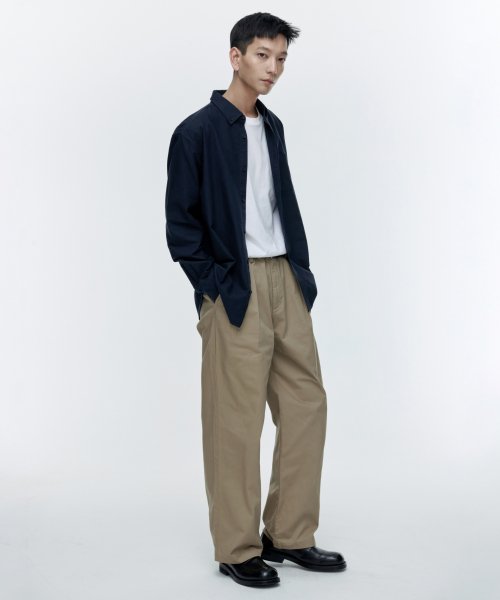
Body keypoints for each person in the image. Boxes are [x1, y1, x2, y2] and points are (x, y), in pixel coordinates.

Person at [165, 12, 346, 588]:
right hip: (234, 286)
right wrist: (212, 286)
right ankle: (236, 547)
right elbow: (181, 226)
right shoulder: (195, 132)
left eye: (282, 58)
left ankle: (289, 534)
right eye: (263, 55)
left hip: (284, 278)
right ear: (235, 56)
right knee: (235, 421)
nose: (273, 68)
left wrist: (300, 274)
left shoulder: (272, 126)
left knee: (307, 404)